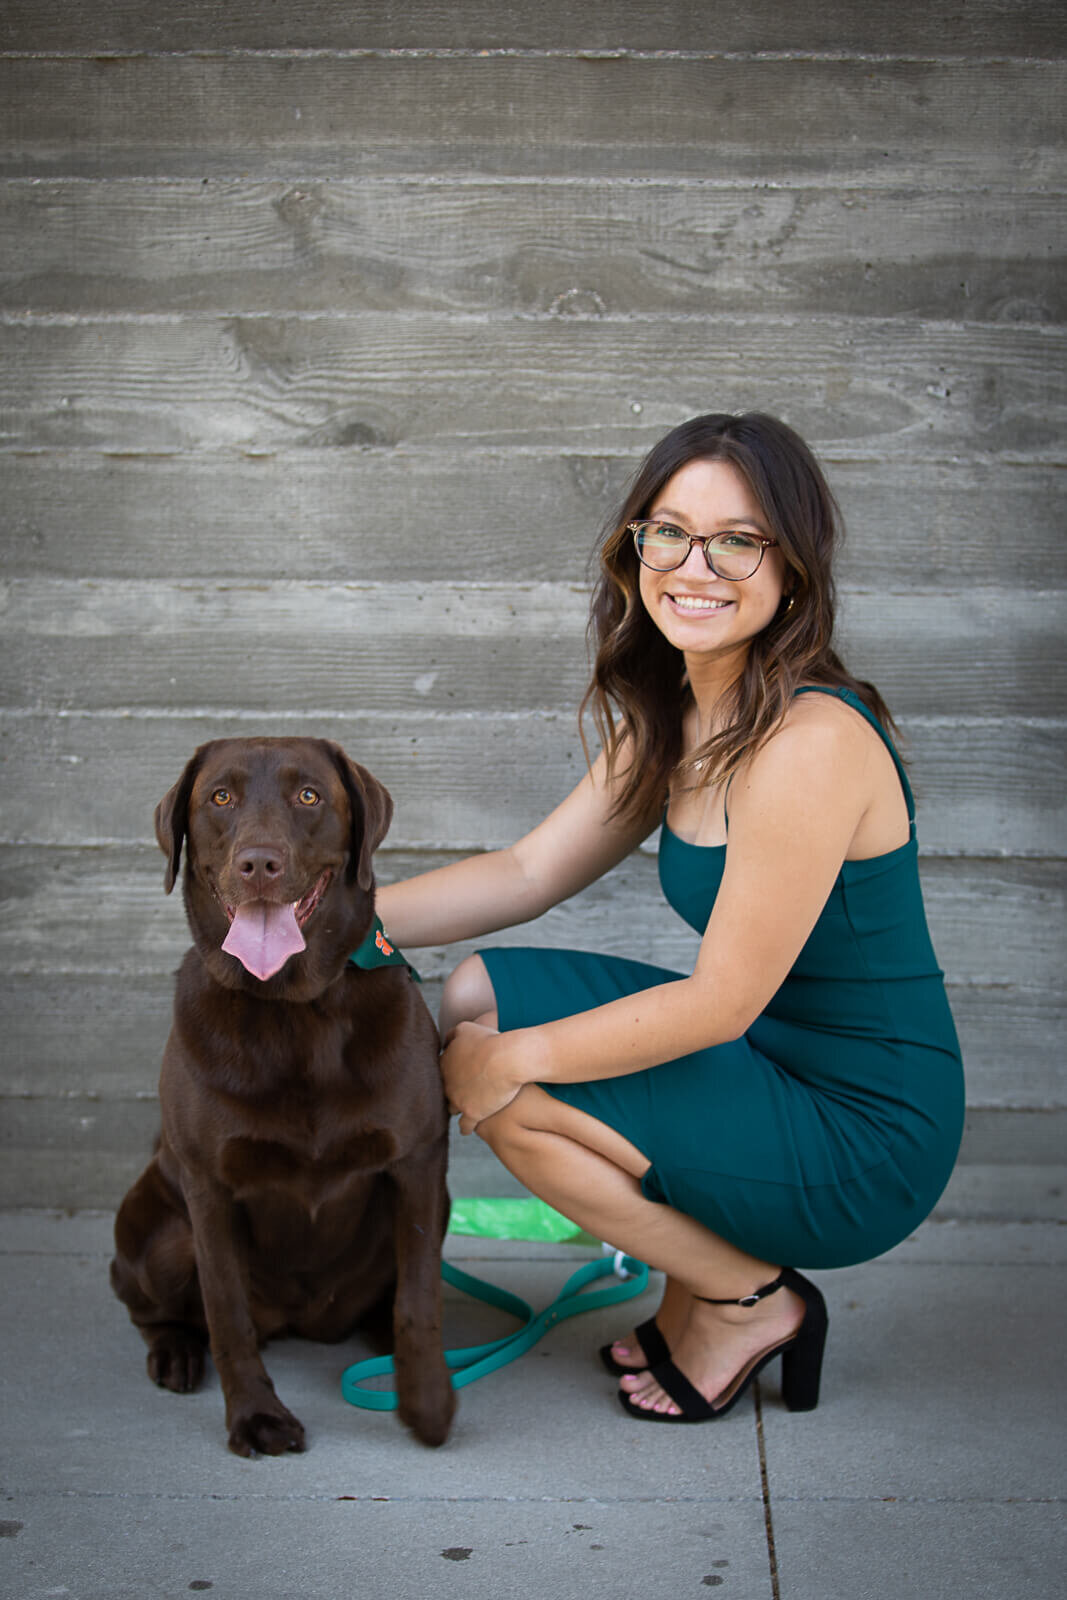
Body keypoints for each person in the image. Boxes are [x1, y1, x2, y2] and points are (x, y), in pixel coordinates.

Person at [376, 411, 965, 1425]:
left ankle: (744, 1298)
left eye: (737, 539)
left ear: (791, 567)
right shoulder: (680, 713)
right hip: (771, 1070)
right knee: (473, 993)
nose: (695, 565)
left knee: (504, 1076)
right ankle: (699, 1275)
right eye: (669, 532)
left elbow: (720, 1001)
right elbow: (525, 870)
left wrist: (514, 1061)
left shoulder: (804, 744)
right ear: (633, 549)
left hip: (863, 1130)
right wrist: (332, 923)